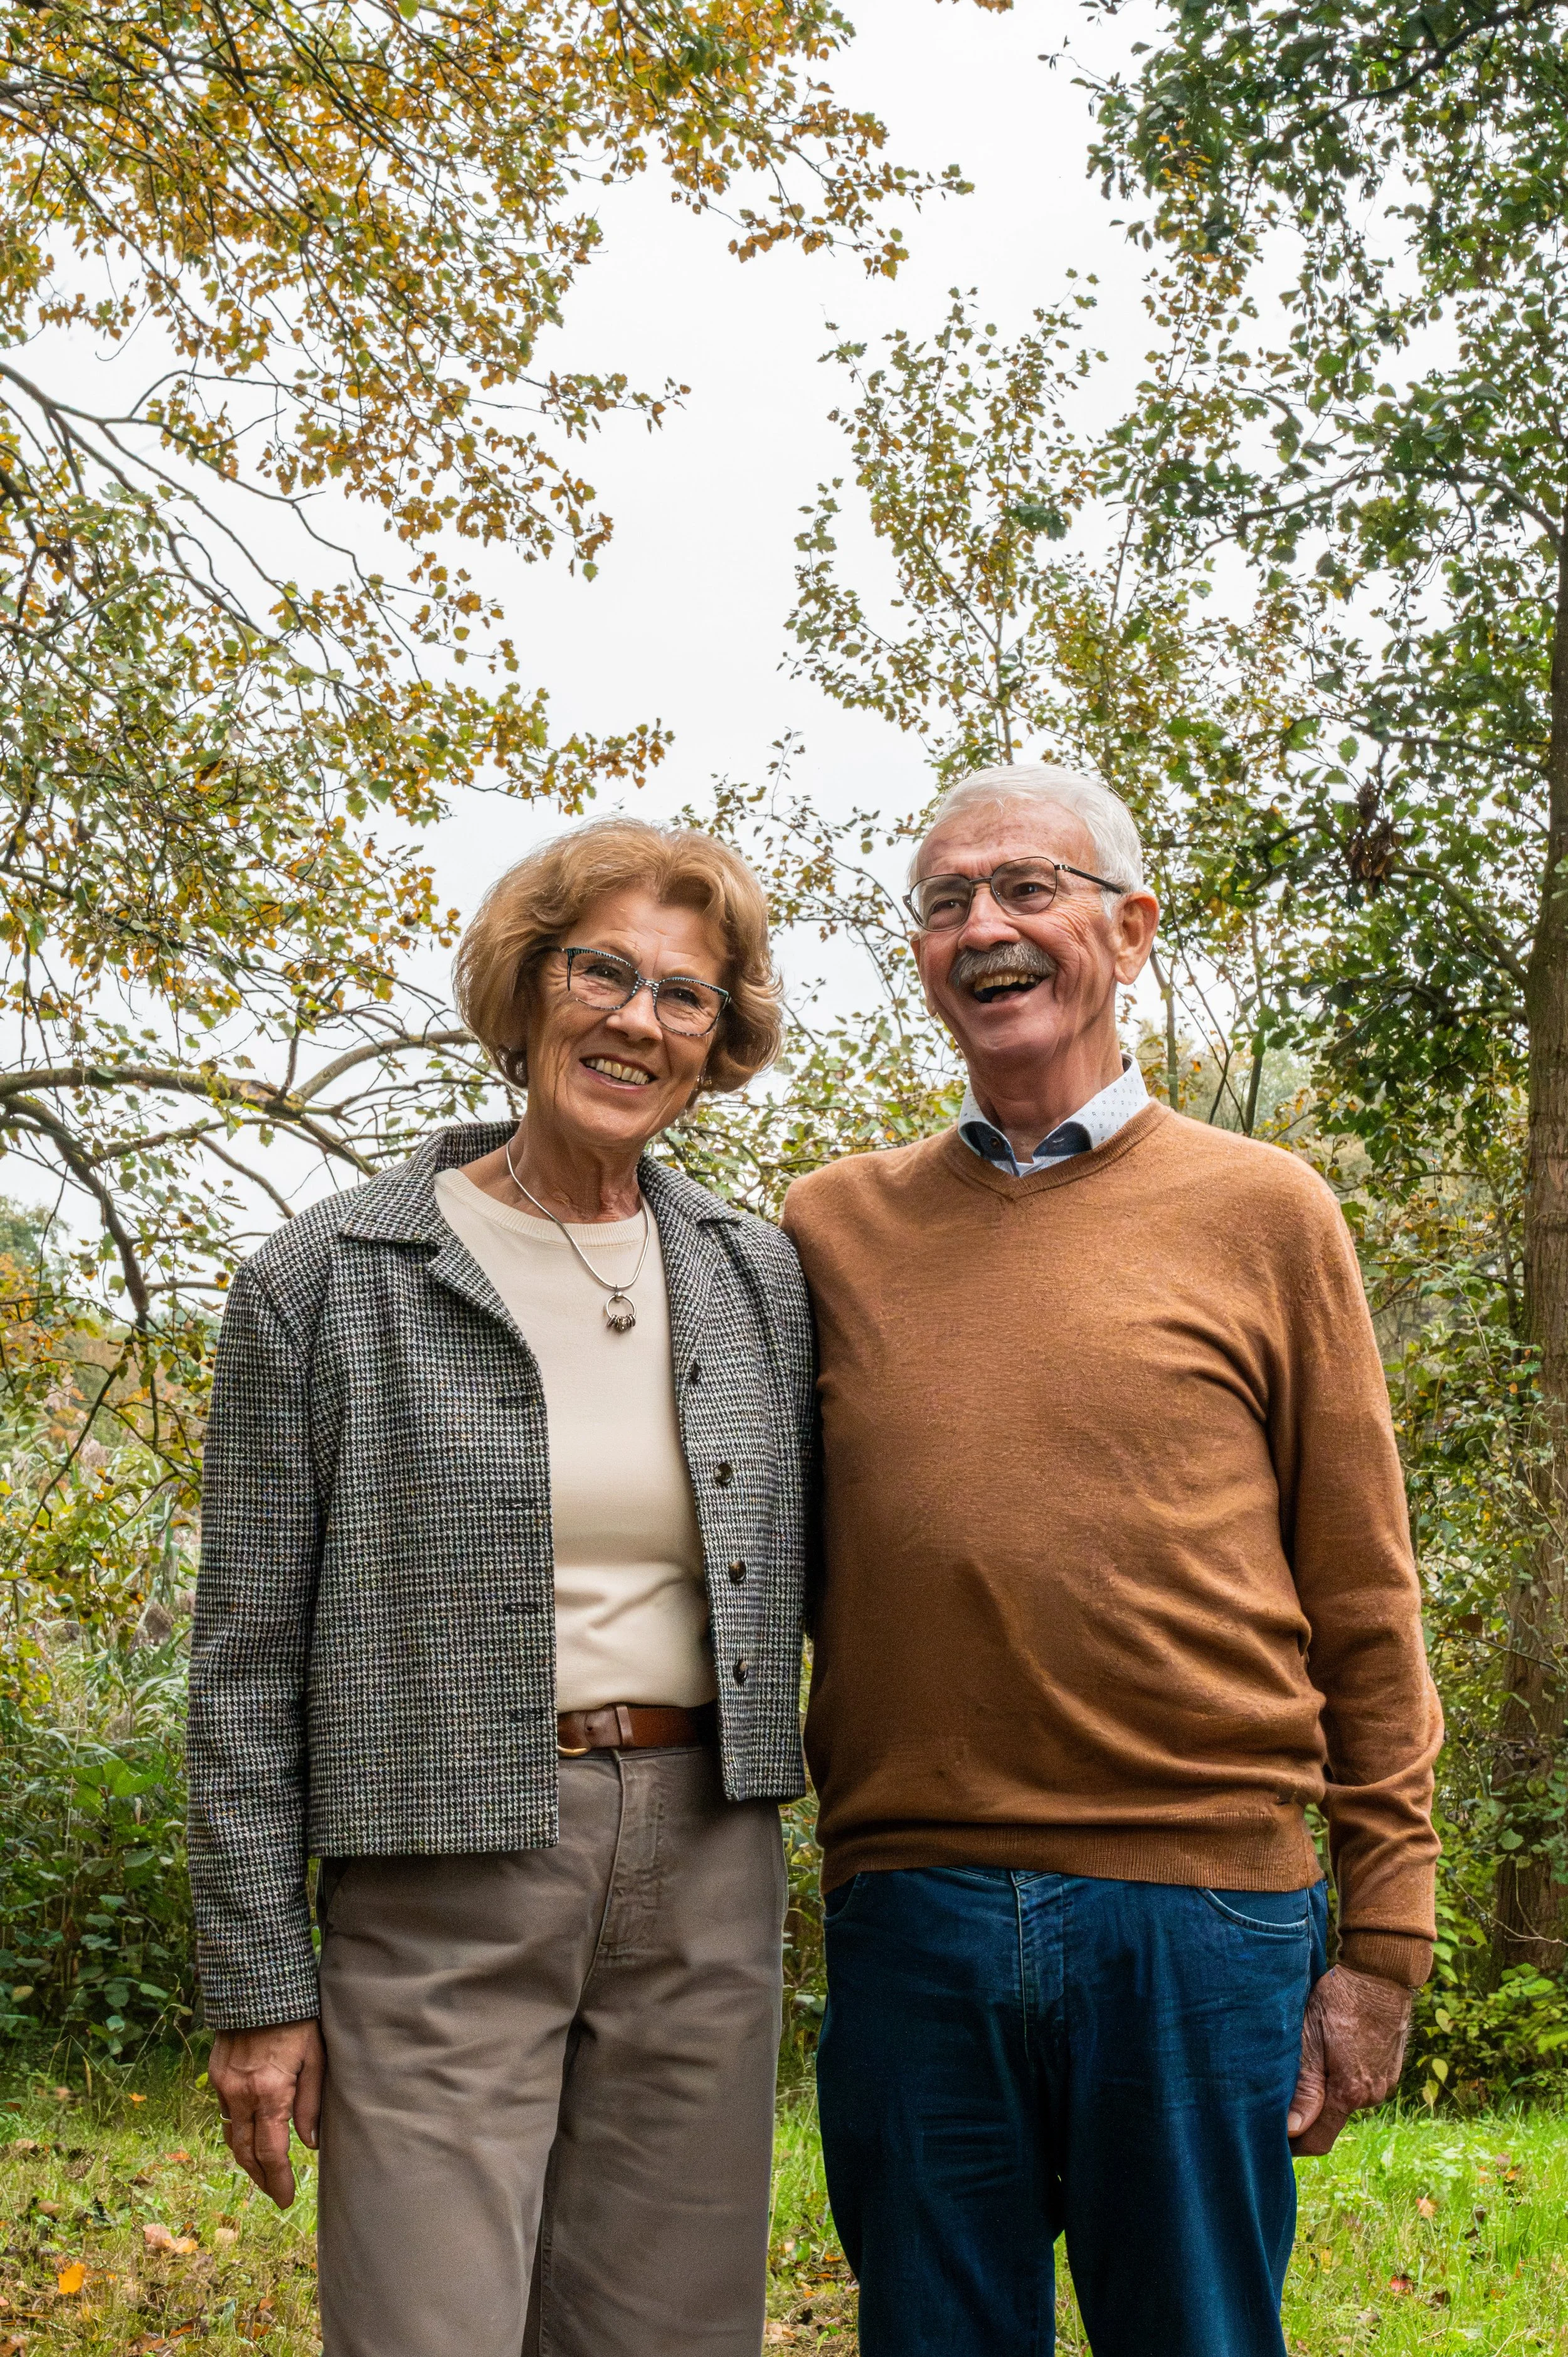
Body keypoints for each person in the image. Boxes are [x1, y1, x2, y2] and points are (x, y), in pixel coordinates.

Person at [781, 762, 1442, 2357]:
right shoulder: (822, 1231)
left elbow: (1361, 1597)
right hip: (913, 1913)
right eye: (944, 903)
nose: (982, 927)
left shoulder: (1265, 1213)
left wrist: (1381, 1947)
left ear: (1130, 930)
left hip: (1201, 1916)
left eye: (1027, 889)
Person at [188, 817, 815, 2357]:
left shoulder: (756, 1275)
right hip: (440, 1874)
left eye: (685, 996)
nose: (637, 1020)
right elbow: (244, 1666)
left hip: (706, 1858)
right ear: (525, 987)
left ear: (716, 1043)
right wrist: (259, 1985)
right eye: (600, 971)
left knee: (669, 2332)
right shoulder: (328, 1277)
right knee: (428, 2325)